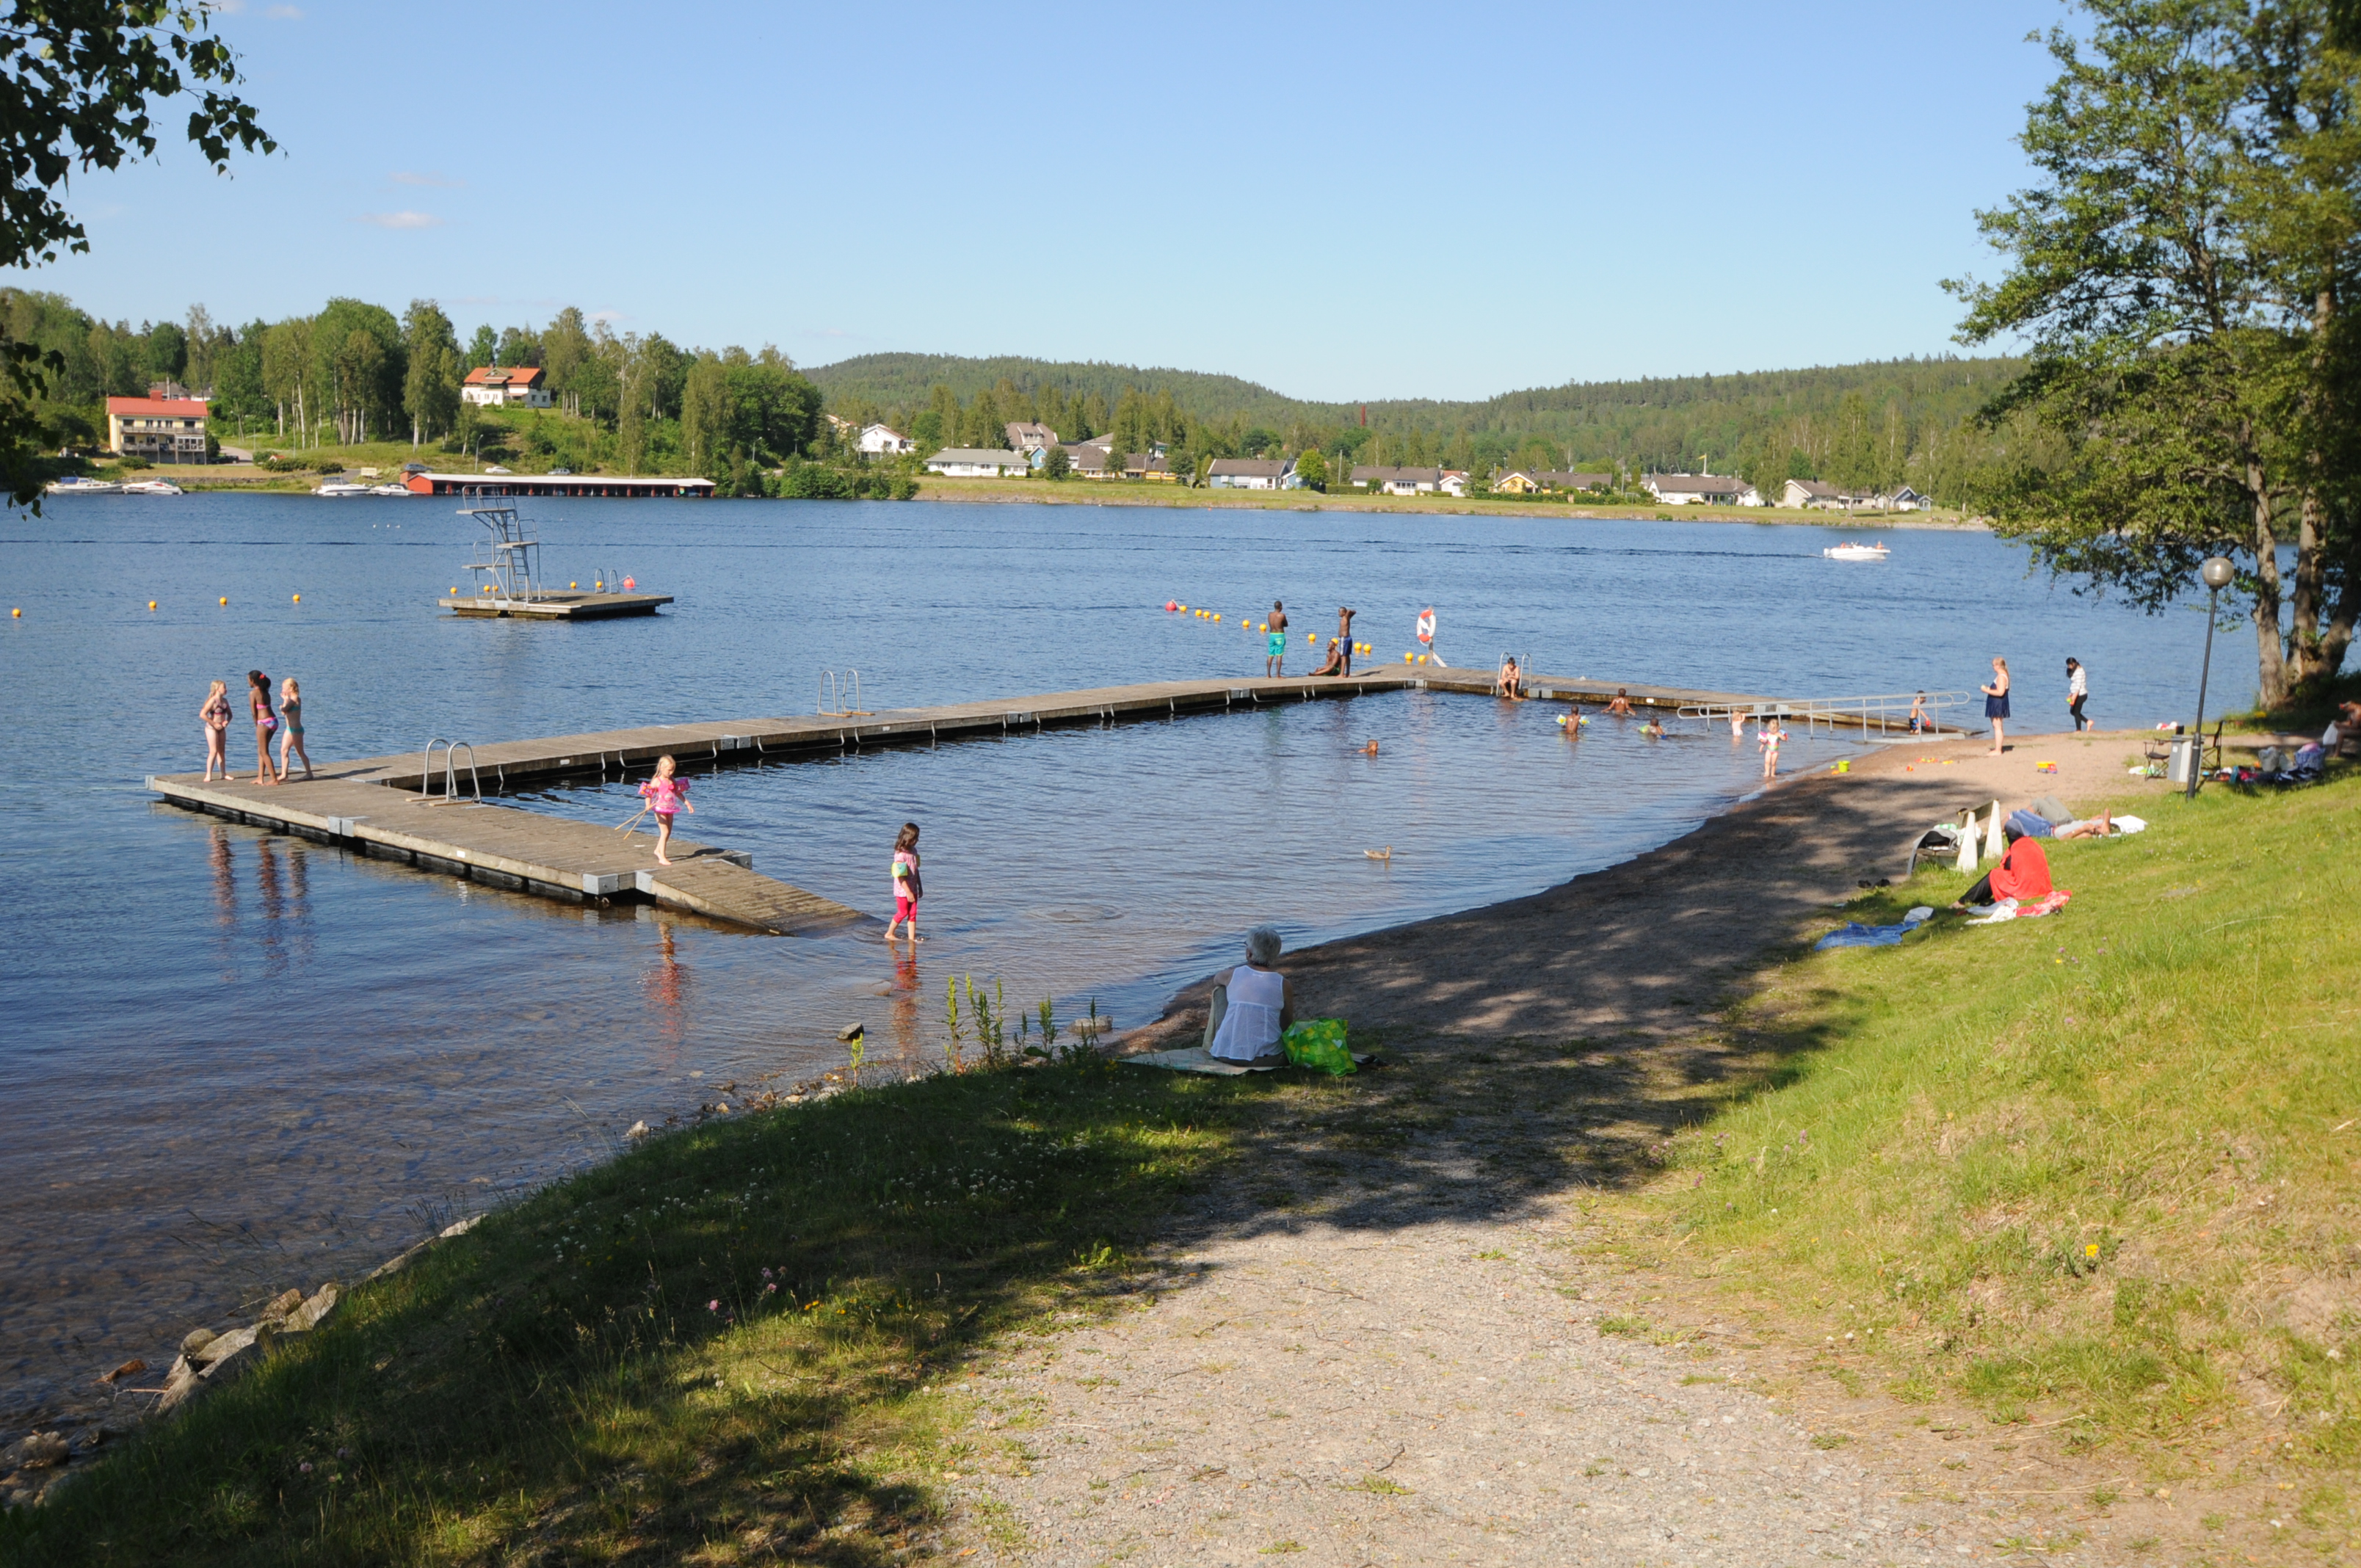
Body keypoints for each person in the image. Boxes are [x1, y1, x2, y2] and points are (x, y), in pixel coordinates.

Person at [1205, 925, 1294, 1066]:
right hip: (1268, 1058)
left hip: (1225, 1055)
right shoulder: (1284, 984)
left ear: (1249, 953)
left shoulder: (1232, 975)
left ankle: (1222, 1040)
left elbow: (1216, 979)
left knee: (1221, 990)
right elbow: (1287, 1023)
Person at [1957, 822, 2052, 907]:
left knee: (1994, 874)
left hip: (2026, 891)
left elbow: (2006, 868)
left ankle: (1963, 901)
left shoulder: (2015, 849)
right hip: (2043, 888)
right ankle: (1969, 899)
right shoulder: (2033, 844)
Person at [638, 755, 693, 865]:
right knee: (665, 831)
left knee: (669, 832)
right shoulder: (657, 781)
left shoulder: (672, 780)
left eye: (673, 770)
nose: (671, 772)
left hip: (670, 809)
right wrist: (647, 804)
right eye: (669, 770)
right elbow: (649, 794)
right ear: (661, 768)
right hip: (659, 809)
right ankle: (662, 857)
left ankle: (658, 850)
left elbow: (678, 793)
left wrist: (687, 804)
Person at [885, 821, 923, 943]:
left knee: (913, 913)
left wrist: (920, 886)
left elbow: (916, 870)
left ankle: (912, 939)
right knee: (902, 912)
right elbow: (900, 876)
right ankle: (890, 933)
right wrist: (908, 892)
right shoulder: (900, 855)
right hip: (903, 890)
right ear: (907, 838)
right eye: (914, 838)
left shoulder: (914, 851)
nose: (916, 841)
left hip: (913, 887)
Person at [246, 670, 283, 785]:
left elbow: (254, 712)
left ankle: (274, 779)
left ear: (253, 681)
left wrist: (257, 724)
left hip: (264, 722)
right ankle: (260, 777)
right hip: (274, 721)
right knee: (261, 750)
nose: (248, 681)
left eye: (248, 680)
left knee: (264, 751)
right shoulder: (266, 692)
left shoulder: (253, 693)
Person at [277, 677, 313, 780]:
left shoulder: (295, 699)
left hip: (297, 730)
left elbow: (284, 710)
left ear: (291, 688)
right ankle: (284, 774)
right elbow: (284, 713)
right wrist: (284, 701)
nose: (283, 690)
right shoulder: (290, 699)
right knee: (284, 750)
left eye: (284, 688)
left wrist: (283, 702)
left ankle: (309, 773)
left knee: (300, 752)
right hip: (289, 729)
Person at [200, 679, 233, 781]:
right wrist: (214, 723)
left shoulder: (225, 701)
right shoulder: (213, 701)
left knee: (221, 752)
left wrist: (226, 722)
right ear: (218, 689)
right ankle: (208, 774)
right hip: (211, 728)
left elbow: (230, 715)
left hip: (221, 729)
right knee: (213, 751)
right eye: (224, 687)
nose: (226, 689)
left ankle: (223, 773)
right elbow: (202, 714)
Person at [1981, 656, 2012, 755]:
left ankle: (1998, 750)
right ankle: (1998, 748)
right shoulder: (2002, 675)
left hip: (1998, 703)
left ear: (1998, 666)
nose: (1993, 667)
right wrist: (1989, 688)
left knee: (1997, 727)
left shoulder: (2002, 676)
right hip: (1997, 702)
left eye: (1993, 665)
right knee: (1997, 726)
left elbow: (2000, 692)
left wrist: (1986, 690)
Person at [1758, 713, 1787, 778]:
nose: (1774, 730)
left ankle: (1773, 773)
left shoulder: (1778, 734)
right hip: (1768, 751)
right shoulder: (1768, 734)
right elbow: (1765, 741)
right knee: (1767, 762)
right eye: (1772, 729)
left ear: (1778, 728)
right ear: (1770, 728)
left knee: (1773, 764)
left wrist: (1781, 736)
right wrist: (1761, 747)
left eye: (1775, 729)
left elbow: (1785, 739)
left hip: (1775, 752)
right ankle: (1767, 772)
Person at [1265, 600, 1288, 677]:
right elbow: (1286, 624)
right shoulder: (1282, 616)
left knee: (1270, 654)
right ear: (1281, 607)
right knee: (1279, 655)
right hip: (1280, 635)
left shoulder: (1270, 615)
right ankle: (1278, 674)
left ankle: (1268, 674)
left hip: (1272, 635)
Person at [2066, 658, 2090, 731]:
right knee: (2072, 712)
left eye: (2069, 665)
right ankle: (2088, 722)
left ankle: (2078, 730)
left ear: (2073, 664)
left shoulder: (2079, 672)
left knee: (2076, 712)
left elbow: (2078, 687)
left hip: (2081, 695)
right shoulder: (2076, 671)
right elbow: (2075, 685)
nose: (2068, 667)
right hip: (2077, 694)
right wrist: (2071, 694)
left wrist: (2074, 697)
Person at [1336, 607, 1357, 675]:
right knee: (1347, 656)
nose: (1339, 613)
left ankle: (1342, 674)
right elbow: (1354, 612)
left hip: (1344, 639)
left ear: (1344, 613)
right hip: (1348, 638)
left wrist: (1348, 612)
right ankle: (1347, 673)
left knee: (1343, 656)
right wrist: (1350, 613)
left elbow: (1350, 611)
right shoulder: (1347, 618)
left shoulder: (1345, 617)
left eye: (1340, 612)